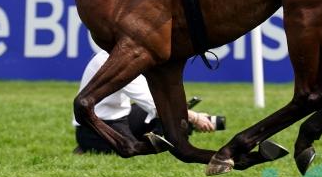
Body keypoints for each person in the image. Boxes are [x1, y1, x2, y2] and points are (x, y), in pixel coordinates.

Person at [73, 50, 216, 154]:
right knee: (134, 148)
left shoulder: (111, 56)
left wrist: (187, 115)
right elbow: (153, 104)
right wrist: (195, 117)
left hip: (114, 117)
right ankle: (89, 147)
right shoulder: (116, 63)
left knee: (171, 119)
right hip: (97, 130)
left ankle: (165, 136)